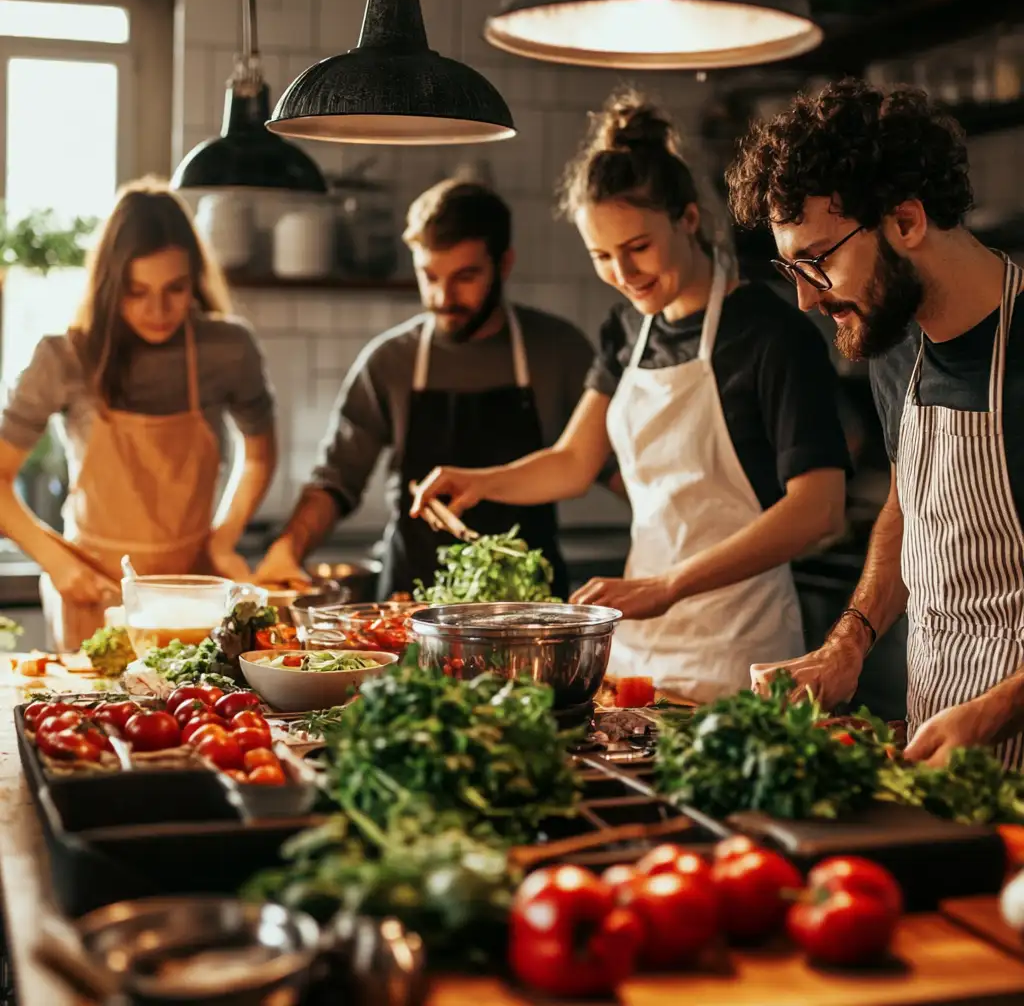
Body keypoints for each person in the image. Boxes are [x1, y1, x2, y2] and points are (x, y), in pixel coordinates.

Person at [412, 92, 850, 704]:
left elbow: (819, 509)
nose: (623, 273)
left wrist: (669, 584)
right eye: (602, 257)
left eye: (638, 247)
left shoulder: (773, 336)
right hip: (638, 644)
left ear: (688, 220)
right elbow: (572, 462)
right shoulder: (626, 330)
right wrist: (478, 479)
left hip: (738, 652)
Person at [729, 78, 1024, 767]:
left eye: (818, 260)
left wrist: (996, 711)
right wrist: (850, 641)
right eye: (789, 267)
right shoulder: (895, 349)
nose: (803, 299)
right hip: (939, 762)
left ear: (906, 222)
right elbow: (908, 506)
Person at [254, 179, 596, 600]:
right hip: (410, 610)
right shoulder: (390, 362)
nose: (442, 297)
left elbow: (618, 467)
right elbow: (336, 479)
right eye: (429, 276)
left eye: (465, 277)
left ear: (503, 264)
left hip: (531, 617)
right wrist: (288, 547)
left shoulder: (558, 352)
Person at [0, 179, 277, 651]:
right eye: (136, 291)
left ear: (196, 279)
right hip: (94, 589)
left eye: (175, 288)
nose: (157, 310)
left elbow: (259, 453)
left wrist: (225, 537)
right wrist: (57, 562)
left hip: (195, 591)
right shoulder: (65, 356)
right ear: (109, 283)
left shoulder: (227, 348)